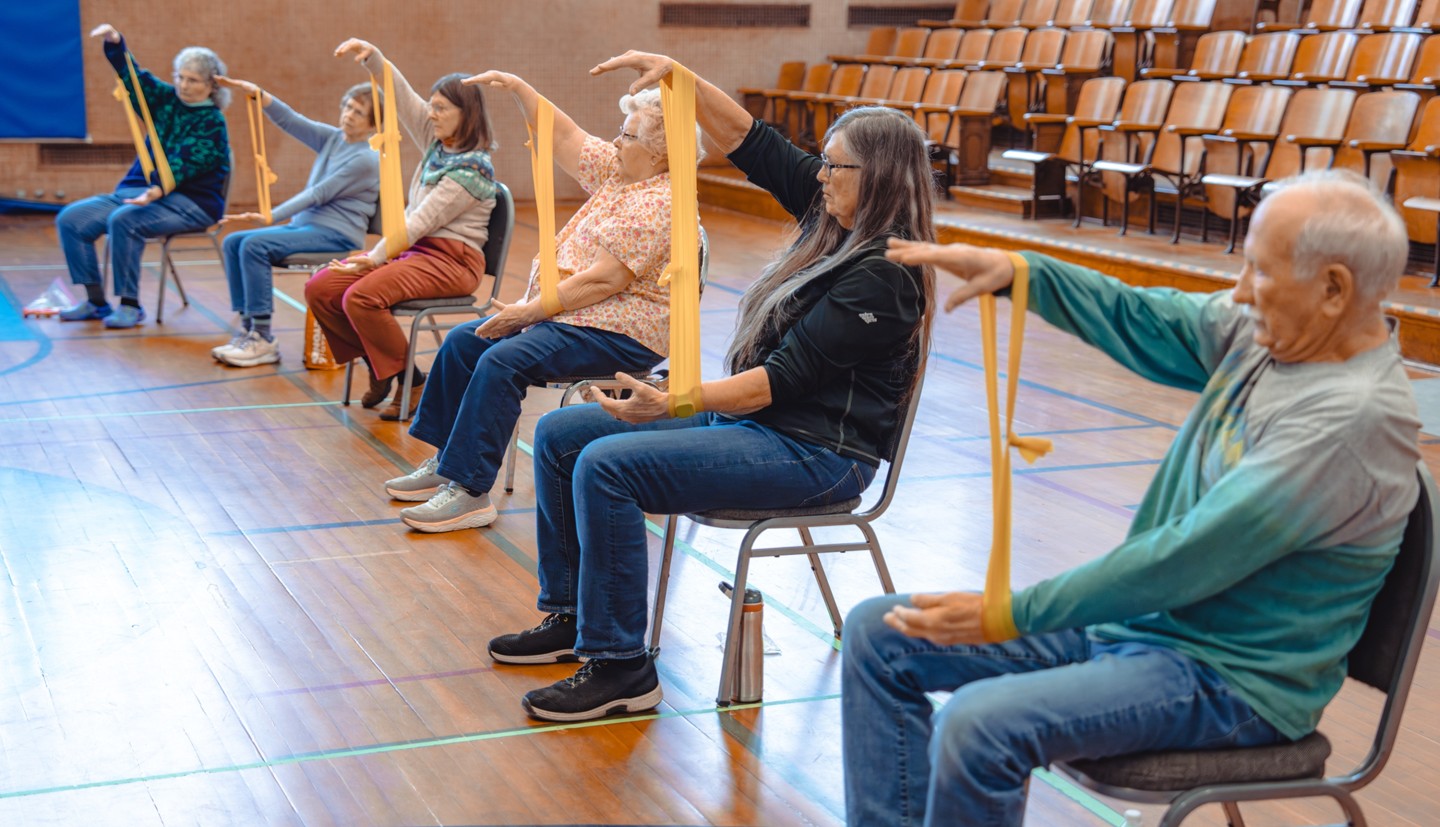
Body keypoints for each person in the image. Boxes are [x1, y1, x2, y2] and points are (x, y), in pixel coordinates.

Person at [843, 169, 1421, 827]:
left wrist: (1012, 612)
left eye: (1259, 271)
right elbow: (1140, 312)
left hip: (1229, 681)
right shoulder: (1276, 332)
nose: (1237, 290)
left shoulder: (1350, 424)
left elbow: (1181, 559)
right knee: (877, 633)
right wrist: (1018, 272)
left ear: (1333, 289)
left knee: (978, 726)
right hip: (1145, 631)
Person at [483, 50, 936, 723]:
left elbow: (778, 384)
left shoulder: (885, 273)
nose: (819, 173)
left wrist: (675, 400)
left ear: (876, 179)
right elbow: (753, 142)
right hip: (759, 428)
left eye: (834, 165)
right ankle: (574, 613)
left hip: (814, 455)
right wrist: (679, 78)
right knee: (560, 433)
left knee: (607, 466)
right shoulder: (833, 218)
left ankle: (620, 665)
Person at [383, 70, 699, 532]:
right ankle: (448, 461)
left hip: (618, 333)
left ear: (660, 153)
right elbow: (566, 136)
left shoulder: (659, 201)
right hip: (573, 318)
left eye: (626, 136)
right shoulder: (621, 173)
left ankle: (470, 492)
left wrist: (527, 312)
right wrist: (519, 89)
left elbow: (603, 282)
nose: (614, 142)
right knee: (463, 343)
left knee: (502, 360)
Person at [308, 39, 498, 420]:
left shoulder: (473, 168)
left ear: (466, 115)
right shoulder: (438, 143)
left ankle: (412, 381)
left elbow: (420, 221)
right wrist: (374, 59)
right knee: (322, 287)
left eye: (441, 108)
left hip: (452, 263)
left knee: (360, 297)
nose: (431, 114)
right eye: (433, 105)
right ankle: (383, 368)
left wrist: (374, 259)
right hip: (414, 253)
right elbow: (405, 99)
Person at [56, 24, 230, 330]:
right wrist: (116, 44)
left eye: (193, 81)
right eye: (180, 77)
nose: (184, 86)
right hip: (142, 192)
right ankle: (96, 301)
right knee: (71, 219)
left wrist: (158, 189)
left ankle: (130, 305)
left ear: (212, 86)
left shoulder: (212, 122)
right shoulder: (166, 101)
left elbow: (188, 162)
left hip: (192, 202)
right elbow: (137, 82)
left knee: (125, 220)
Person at [209, 77, 381, 368]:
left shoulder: (367, 159)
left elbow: (319, 193)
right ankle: (249, 329)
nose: (348, 116)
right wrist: (261, 95)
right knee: (233, 242)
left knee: (253, 245)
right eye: (348, 108)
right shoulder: (333, 139)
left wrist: (270, 215)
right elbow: (291, 121)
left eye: (358, 113)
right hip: (305, 227)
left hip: (335, 235)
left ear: (374, 125)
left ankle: (263, 338)